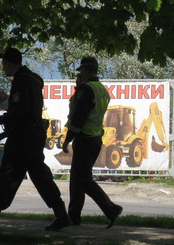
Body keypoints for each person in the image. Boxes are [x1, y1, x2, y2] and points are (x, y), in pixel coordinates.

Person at [0, 47, 71, 231]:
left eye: (4, 64)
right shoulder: (33, 79)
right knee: (40, 176)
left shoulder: (21, 81)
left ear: (10, 64)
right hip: (34, 136)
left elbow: (20, 109)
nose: (3, 68)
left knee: (6, 174)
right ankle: (62, 214)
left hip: (22, 138)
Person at [62, 56, 123, 229]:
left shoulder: (86, 90)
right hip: (95, 139)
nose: (79, 73)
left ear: (86, 70)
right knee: (76, 180)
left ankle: (111, 209)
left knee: (83, 180)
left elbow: (79, 118)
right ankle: (73, 217)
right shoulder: (102, 90)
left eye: (81, 70)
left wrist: (67, 140)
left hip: (85, 139)